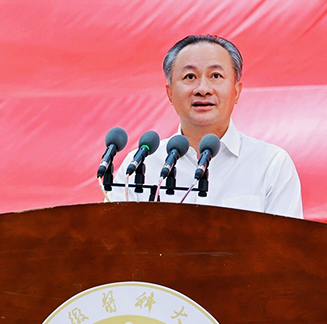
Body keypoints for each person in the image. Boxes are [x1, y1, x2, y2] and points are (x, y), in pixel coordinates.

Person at [109, 35, 303, 218]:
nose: (203, 89)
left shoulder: (271, 164)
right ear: (170, 93)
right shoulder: (140, 165)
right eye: (190, 77)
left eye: (216, 76)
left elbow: (286, 242)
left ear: (236, 92)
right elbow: (113, 237)